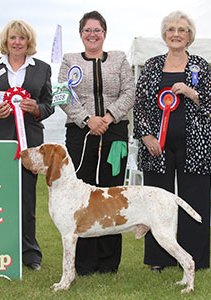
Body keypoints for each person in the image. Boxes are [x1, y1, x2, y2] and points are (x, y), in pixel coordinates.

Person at [133, 11, 211, 272]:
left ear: (189, 36)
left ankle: (195, 259)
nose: (176, 34)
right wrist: (147, 135)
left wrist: (192, 92)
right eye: (171, 29)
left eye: (182, 30)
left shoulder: (200, 65)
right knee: (157, 204)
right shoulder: (151, 65)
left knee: (194, 202)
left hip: (196, 147)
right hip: (156, 148)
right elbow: (140, 105)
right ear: (164, 35)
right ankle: (159, 259)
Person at [58, 10, 135, 276]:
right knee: (84, 198)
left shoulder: (120, 58)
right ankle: (85, 263)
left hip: (115, 134)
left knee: (112, 194)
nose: (93, 35)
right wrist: (88, 119)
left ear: (105, 33)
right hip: (81, 134)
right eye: (87, 30)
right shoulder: (69, 61)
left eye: (97, 30)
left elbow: (129, 91)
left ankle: (109, 263)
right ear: (81, 34)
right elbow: (62, 96)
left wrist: (109, 117)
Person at [0, 20, 54, 270]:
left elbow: (49, 105)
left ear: (29, 42)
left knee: (27, 200)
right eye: (13, 38)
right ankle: (0, 252)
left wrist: (36, 109)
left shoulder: (42, 68)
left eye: (22, 38)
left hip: (30, 143)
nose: (17, 42)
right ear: (5, 41)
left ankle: (30, 255)